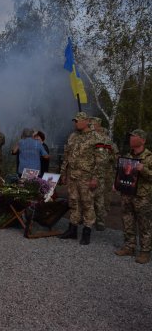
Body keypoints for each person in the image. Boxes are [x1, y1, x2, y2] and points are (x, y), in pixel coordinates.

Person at [58, 112, 105, 245]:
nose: (75, 123)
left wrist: (95, 178)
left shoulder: (96, 137)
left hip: (87, 177)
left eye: (78, 120)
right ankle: (72, 230)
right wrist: (63, 174)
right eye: (75, 121)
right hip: (73, 176)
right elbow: (66, 156)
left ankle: (86, 231)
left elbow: (101, 161)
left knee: (87, 203)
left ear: (86, 121)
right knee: (73, 202)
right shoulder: (73, 136)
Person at [114, 129, 152, 264]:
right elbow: (122, 173)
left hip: (142, 197)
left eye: (134, 137)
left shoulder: (149, 157)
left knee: (144, 224)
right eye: (130, 137)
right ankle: (129, 247)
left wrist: (144, 170)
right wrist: (116, 183)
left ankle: (145, 251)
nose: (131, 139)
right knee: (127, 220)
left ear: (142, 140)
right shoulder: (127, 156)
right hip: (127, 194)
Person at [89, 117, 118, 230]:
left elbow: (115, 156)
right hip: (92, 172)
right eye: (90, 124)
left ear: (98, 126)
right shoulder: (91, 139)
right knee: (91, 197)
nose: (91, 126)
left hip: (104, 173)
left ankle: (100, 221)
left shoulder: (106, 140)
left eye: (93, 124)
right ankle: (90, 219)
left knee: (101, 197)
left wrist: (107, 157)